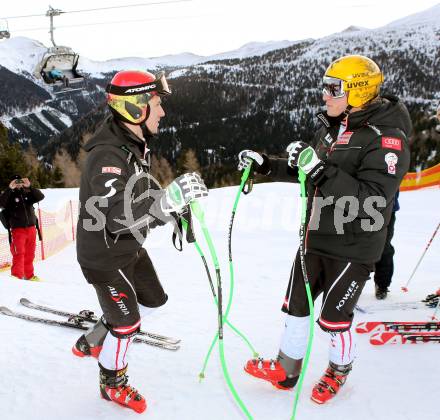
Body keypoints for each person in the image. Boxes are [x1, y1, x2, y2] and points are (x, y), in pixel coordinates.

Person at [237, 55, 411, 404]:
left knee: (334, 318)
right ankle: (287, 368)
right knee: (296, 306)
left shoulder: (388, 140)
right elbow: (309, 168)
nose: (324, 96)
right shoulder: (336, 126)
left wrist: (320, 172)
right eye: (324, 87)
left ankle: (339, 369)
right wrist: (267, 166)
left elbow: (373, 202)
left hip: (354, 246)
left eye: (334, 89)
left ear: (359, 93)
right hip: (315, 235)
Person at [73, 70, 208, 414]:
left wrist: (172, 207)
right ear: (136, 107)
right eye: (156, 104)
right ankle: (112, 382)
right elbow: (115, 217)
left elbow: (141, 191)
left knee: (153, 299)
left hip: (128, 248)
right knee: (128, 322)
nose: (162, 112)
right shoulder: (107, 156)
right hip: (104, 256)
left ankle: (95, 338)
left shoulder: (132, 144)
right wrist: (165, 203)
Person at [0, 175, 44, 280]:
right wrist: (9, 188)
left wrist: (30, 186)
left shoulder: (27, 193)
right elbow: (1, 203)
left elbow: (40, 197)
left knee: (30, 254)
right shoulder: (9, 196)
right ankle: (16, 276)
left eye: (20, 181)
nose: (18, 183)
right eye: (15, 181)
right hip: (18, 230)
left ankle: (29, 276)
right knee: (18, 253)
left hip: (32, 229)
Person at [374, 191, 400, 299]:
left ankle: (382, 285)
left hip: (388, 208)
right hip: (360, 207)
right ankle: (353, 282)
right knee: (358, 246)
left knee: (384, 247)